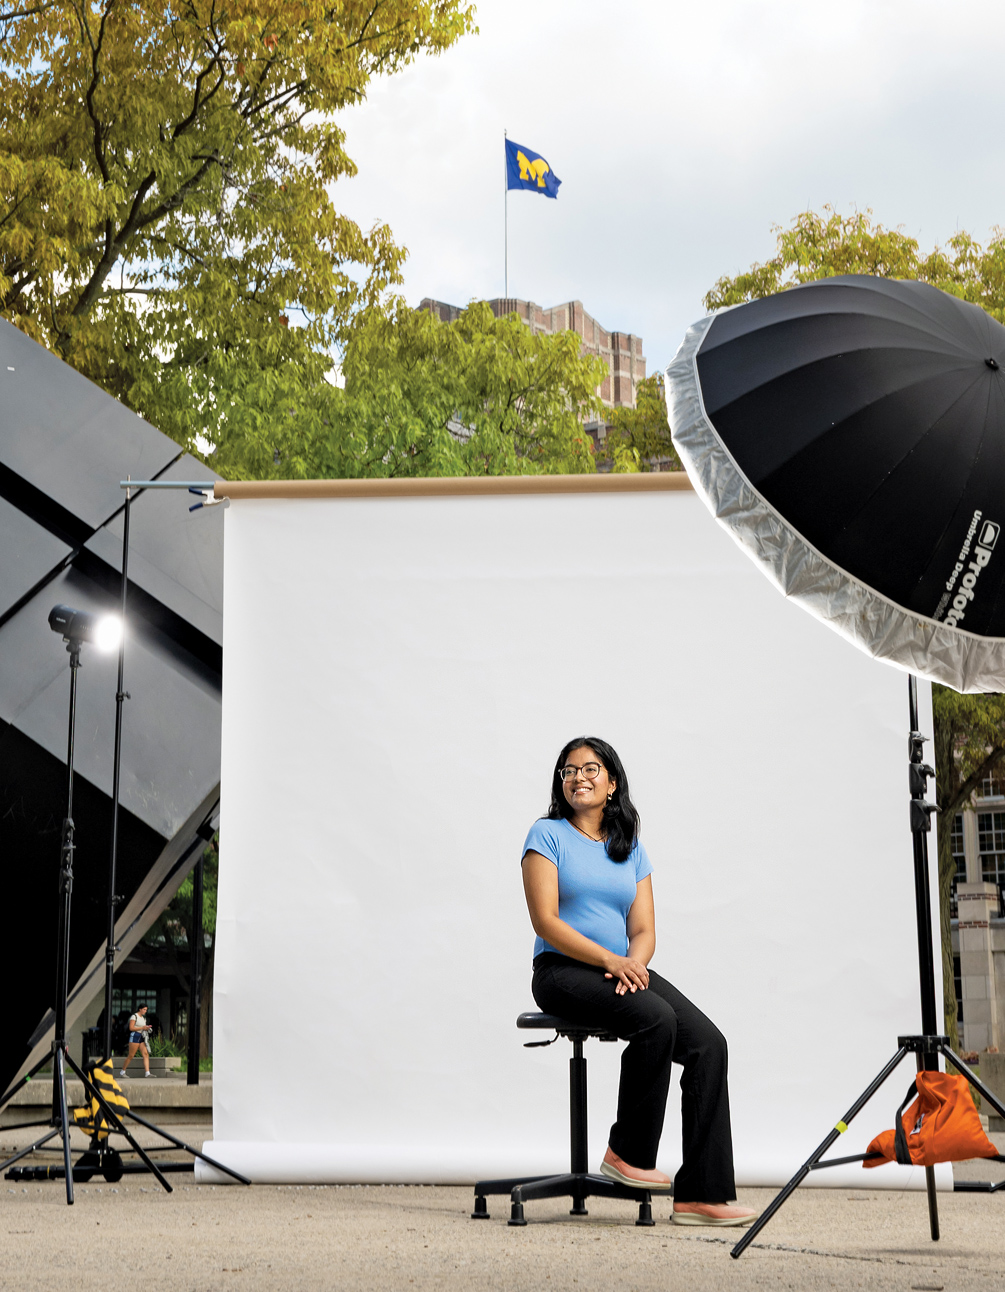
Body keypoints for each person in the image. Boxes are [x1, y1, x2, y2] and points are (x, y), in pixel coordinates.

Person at [521, 736, 756, 1227]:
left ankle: (701, 1195)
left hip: (619, 968)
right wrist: (612, 960)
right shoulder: (546, 836)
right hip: (562, 971)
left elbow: (644, 929)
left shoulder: (631, 849)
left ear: (611, 783)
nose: (578, 777)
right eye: (568, 770)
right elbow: (545, 922)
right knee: (655, 1018)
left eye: (590, 769)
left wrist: (633, 964)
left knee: (709, 1044)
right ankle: (627, 1153)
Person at [119, 1005, 154, 1078]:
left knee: (145, 1054)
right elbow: (131, 1028)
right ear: (140, 1009)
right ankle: (122, 1071)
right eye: (144, 1009)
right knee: (131, 1055)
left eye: (146, 1010)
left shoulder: (143, 1018)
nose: (145, 1011)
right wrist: (142, 1027)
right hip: (135, 1036)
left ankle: (147, 1073)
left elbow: (142, 1027)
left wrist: (146, 1028)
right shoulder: (134, 1016)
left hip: (141, 1036)